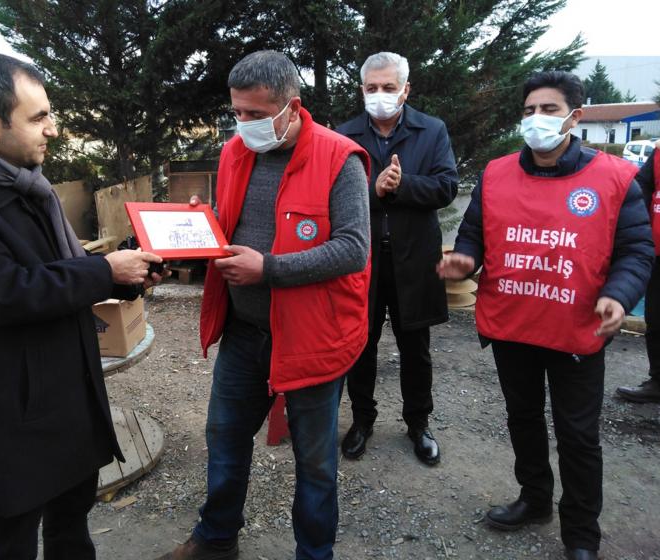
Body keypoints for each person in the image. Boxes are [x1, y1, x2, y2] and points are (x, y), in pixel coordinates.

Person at [0, 54, 164, 559]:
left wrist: (132, 275)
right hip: (11, 412)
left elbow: (59, 274)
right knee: (12, 541)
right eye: (38, 117)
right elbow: (6, 294)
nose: (53, 129)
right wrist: (104, 271)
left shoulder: (27, 183)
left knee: (72, 528)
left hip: (68, 395)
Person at [156, 50, 371, 560]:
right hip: (246, 331)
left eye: (255, 114)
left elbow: (353, 248)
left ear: (292, 107)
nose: (243, 125)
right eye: (237, 113)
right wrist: (196, 227)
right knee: (225, 438)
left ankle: (314, 554)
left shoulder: (340, 159)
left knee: (315, 463)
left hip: (312, 339)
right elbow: (230, 223)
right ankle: (216, 540)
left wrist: (268, 268)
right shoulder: (235, 153)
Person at [438, 71, 653, 560]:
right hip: (514, 323)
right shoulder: (496, 174)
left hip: (576, 329)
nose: (537, 119)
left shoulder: (616, 178)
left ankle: (581, 533)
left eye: (549, 110)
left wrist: (618, 296)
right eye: (530, 109)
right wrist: (465, 259)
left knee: (578, 436)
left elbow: (636, 250)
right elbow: (475, 233)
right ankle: (534, 500)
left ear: (575, 117)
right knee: (524, 419)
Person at [335, 52, 458, 464]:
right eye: (372, 88)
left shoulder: (432, 129)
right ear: (362, 90)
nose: (380, 95)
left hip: (414, 257)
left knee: (415, 349)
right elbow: (332, 195)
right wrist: (376, 189)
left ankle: (418, 424)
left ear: (406, 89)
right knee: (360, 345)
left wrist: (403, 185)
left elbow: (446, 187)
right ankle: (362, 420)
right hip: (362, 258)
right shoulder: (346, 135)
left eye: (389, 88)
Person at [616, 139, 660, 403]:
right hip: (657, 252)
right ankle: (658, 381)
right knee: (656, 320)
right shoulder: (658, 153)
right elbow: (641, 188)